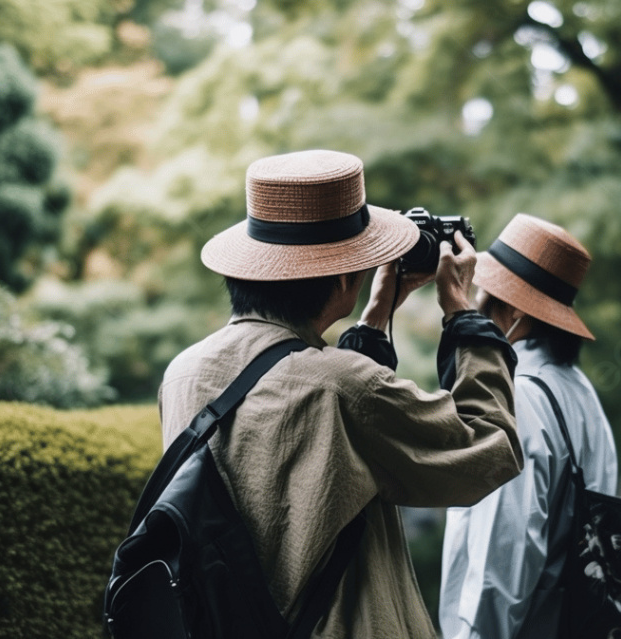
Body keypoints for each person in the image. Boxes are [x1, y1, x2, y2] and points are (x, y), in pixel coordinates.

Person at [157, 149, 522, 638]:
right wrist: (463, 313)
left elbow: (326, 456)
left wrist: (373, 320)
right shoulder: (343, 387)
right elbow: (490, 447)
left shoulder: (183, 373)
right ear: (346, 276)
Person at [439, 213, 620, 639]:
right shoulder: (578, 390)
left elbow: (500, 561)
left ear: (516, 308)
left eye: (485, 289)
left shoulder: (519, 398)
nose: (477, 299)